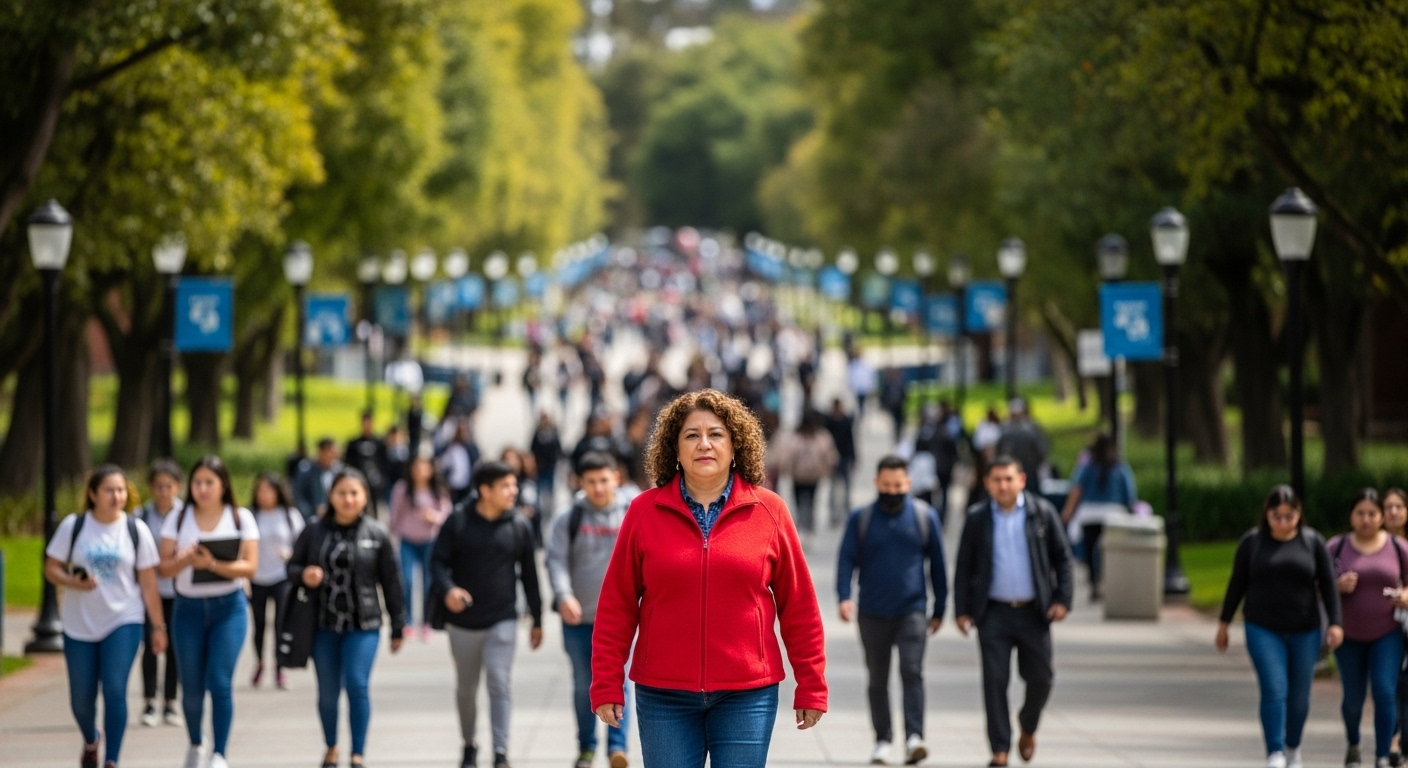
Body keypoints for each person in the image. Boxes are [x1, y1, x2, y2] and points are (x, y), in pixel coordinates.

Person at [590, 389, 827, 768]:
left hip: (747, 693)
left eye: (716, 434)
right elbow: (616, 605)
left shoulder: (771, 511)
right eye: (691, 435)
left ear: (735, 446)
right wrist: (606, 680)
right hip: (663, 693)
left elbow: (799, 607)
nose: (704, 444)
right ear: (675, 449)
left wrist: (811, 684)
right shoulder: (643, 512)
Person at [953, 455, 1074, 768]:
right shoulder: (978, 517)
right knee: (994, 681)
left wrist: (1063, 599)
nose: (1003, 485)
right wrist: (962, 610)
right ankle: (1000, 749)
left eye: (1009, 479)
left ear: (1022, 480)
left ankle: (1028, 724)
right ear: (987, 483)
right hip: (993, 613)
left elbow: (1063, 558)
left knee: (1042, 678)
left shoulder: (1041, 513)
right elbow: (964, 565)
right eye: (997, 479)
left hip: (1035, 612)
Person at [46, 465, 166, 768]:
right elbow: (51, 567)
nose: (117, 496)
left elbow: (149, 583)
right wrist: (73, 581)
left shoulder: (135, 530)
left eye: (121, 490)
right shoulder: (74, 526)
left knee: (114, 688)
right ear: (92, 494)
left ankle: (112, 760)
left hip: (124, 619)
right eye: (110, 490)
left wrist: (158, 626)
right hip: (79, 623)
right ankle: (91, 739)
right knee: (81, 700)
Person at [1216, 484, 1344, 768]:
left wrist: (1335, 623)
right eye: (1277, 516)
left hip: (1305, 628)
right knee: (1275, 688)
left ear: (1299, 514)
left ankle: (1292, 748)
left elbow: (1328, 585)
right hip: (1263, 627)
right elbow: (1237, 584)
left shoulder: (1312, 542)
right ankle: (1275, 751)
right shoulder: (1252, 542)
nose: (1283, 522)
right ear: (1267, 513)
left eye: (1289, 515)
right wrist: (1224, 623)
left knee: (1299, 696)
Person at [288, 467, 406, 768]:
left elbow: (391, 582)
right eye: (342, 493)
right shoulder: (314, 529)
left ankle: (358, 753)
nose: (348, 499)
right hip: (322, 625)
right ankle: (331, 747)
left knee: (356, 684)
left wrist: (398, 625)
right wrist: (304, 574)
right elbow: (291, 567)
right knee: (328, 692)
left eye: (354, 493)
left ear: (365, 497)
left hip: (363, 625)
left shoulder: (377, 534)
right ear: (331, 496)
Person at [431, 460, 545, 768]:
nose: (514, 491)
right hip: (463, 623)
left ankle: (500, 753)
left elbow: (531, 575)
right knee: (467, 688)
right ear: (485, 490)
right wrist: (450, 590)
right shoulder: (457, 521)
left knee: (499, 680)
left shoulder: (519, 525)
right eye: (506, 486)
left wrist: (538, 619)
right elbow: (437, 563)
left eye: (514, 485)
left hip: (503, 618)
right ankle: (469, 745)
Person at [836, 456, 946, 765]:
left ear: (908, 484)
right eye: (886, 486)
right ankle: (882, 739)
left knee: (912, 672)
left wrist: (941, 607)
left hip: (912, 609)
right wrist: (844, 596)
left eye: (898, 486)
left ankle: (915, 737)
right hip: (871, 611)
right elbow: (846, 559)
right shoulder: (862, 518)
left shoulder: (925, 517)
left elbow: (937, 564)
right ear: (876, 484)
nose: (892, 491)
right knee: (877, 678)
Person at [158, 455, 260, 768]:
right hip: (188, 609)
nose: (203, 489)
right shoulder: (177, 518)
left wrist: (213, 564)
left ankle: (220, 753)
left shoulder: (241, 517)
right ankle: (196, 743)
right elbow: (163, 568)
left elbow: (250, 567)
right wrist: (185, 561)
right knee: (191, 686)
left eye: (210, 482)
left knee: (219, 680)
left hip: (228, 608)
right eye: (198, 482)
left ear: (223, 485)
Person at [545, 452, 633, 768]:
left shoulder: (632, 511)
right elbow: (555, 560)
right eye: (591, 482)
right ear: (579, 482)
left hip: (621, 620)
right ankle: (586, 747)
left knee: (621, 682)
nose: (598, 488)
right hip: (579, 618)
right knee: (585, 685)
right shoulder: (568, 518)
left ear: (616, 478)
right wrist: (563, 595)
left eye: (604, 480)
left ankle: (617, 746)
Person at [1327, 489, 1408, 768]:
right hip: (1348, 634)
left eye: (1372, 514)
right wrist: (1336, 587)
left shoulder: (1398, 548)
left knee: (1385, 691)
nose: (1366, 519)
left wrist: (1406, 596)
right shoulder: (1336, 547)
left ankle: (1383, 754)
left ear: (1382, 516)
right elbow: (1317, 586)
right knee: (1352, 698)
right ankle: (1353, 743)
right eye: (1360, 513)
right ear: (1351, 516)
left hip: (1388, 632)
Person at [1059, 434, 1136, 601]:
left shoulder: (1088, 466)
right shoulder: (1121, 467)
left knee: (1089, 549)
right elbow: (1129, 494)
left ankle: (1094, 581)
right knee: (1111, 551)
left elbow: (1076, 489)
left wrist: (1068, 511)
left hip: (1090, 514)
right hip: (1114, 515)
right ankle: (1108, 581)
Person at [136, 459, 183, 727]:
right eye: (159, 486)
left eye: (169, 486)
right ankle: (150, 700)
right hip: (150, 591)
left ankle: (170, 702)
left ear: (177, 487)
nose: (164, 491)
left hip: (178, 591)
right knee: (151, 645)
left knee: (176, 647)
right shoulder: (141, 516)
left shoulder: (187, 514)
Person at [248, 472, 304, 689]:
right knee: (259, 624)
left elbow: (301, 546)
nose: (264, 495)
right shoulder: (251, 515)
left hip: (281, 577)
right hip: (257, 577)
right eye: (260, 490)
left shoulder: (289, 514)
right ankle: (260, 661)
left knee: (281, 623)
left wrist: (289, 554)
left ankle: (280, 668)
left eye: (268, 490)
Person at [389, 452, 452, 640]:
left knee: (429, 582)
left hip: (430, 540)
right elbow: (394, 515)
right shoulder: (402, 489)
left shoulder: (438, 490)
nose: (420, 471)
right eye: (417, 467)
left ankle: (427, 621)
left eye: (425, 467)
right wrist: (394, 535)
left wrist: (434, 517)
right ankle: (407, 620)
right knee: (406, 580)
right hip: (407, 540)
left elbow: (447, 516)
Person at [776, 409, 839, 538]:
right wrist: (785, 469)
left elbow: (829, 454)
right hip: (798, 476)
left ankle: (809, 526)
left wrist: (829, 469)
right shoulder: (798, 437)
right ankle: (801, 525)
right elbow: (788, 455)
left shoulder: (820, 437)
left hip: (813, 476)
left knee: (811, 501)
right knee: (799, 502)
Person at [994, 399, 1050, 482]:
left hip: (1030, 470)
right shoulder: (1005, 429)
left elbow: (1042, 450)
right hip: (1011, 472)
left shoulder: (1032, 428)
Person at [345, 411, 388, 517]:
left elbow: (384, 461)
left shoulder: (379, 442)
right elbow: (348, 462)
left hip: (375, 482)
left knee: (375, 507)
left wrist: (382, 478)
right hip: (358, 480)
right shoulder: (354, 443)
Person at [824, 398, 857, 528]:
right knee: (833, 488)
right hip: (832, 458)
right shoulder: (828, 422)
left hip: (844, 457)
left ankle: (846, 511)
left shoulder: (846, 421)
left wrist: (853, 457)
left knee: (847, 487)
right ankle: (833, 514)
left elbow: (851, 440)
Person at [295, 438, 343, 521]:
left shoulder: (339, 471)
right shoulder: (306, 470)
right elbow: (299, 496)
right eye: (329, 452)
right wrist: (314, 511)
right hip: (312, 517)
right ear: (321, 452)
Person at [531, 411, 563, 518]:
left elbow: (558, 449)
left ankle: (550, 509)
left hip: (551, 466)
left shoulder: (553, 433)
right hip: (540, 467)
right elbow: (532, 448)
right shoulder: (537, 434)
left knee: (550, 489)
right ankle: (540, 508)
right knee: (539, 489)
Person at [440, 420, 479, 505]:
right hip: (452, 485)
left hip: (467, 484)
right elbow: (443, 464)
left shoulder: (471, 448)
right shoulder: (450, 448)